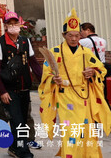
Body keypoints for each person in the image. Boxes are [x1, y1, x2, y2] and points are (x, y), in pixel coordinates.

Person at [39, 8, 111, 157]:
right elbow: (46, 74)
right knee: (70, 131)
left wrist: (93, 72)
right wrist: (54, 79)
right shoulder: (56, 52)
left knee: (86, 131)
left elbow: (101, 70)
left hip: (84, 97)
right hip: (64, 97)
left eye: (77, 35)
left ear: (80, 35)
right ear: (64, 35)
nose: (73, 39)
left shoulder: (86, 52)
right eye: (70, 35)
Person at [0, 12, 43, 158]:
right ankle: (23, 151)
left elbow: (34, 64)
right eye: (10, 23)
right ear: (5, 25)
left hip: (25, 88)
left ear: (20, 25)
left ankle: (14, 148)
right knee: (17, 121)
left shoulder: (25, 42)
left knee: (22, 120)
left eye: (15, 23)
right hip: (9, 89)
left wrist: (44, 81)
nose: (13, 26)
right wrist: (2, 91)